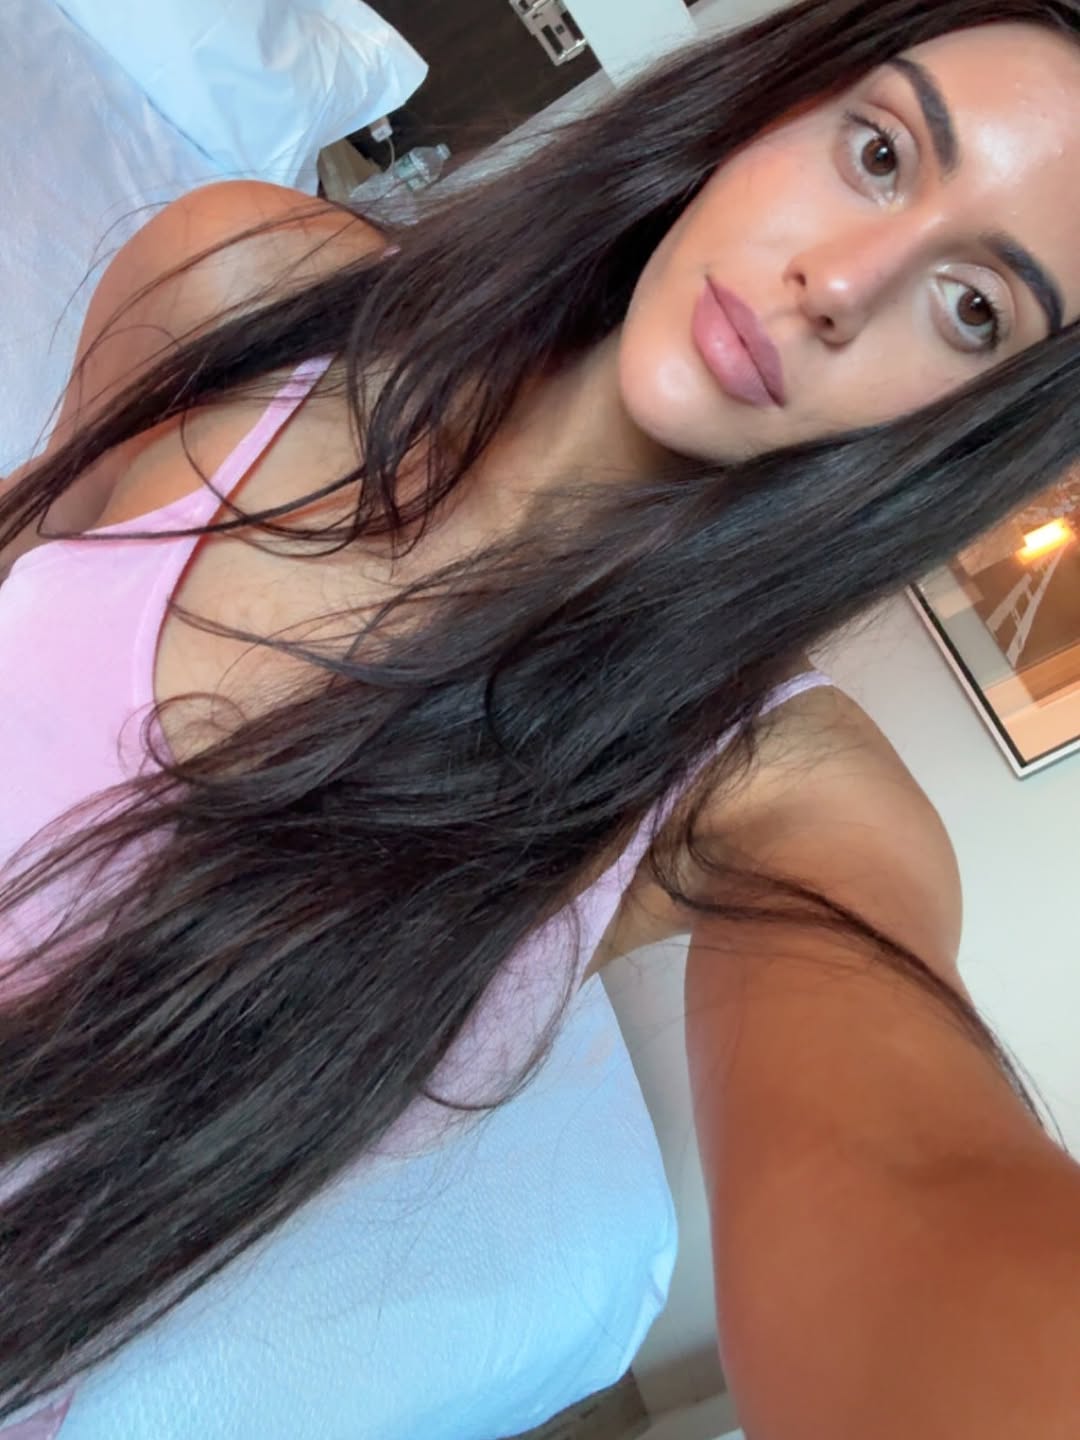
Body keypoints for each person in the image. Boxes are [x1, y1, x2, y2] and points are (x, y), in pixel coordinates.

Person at [0, 0, 1077, 1433]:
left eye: (973, 308)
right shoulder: (244, 276)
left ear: (970, 426)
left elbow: (922, 1187)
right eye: (879, 152)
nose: (841, 282)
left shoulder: (778, 793)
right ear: (771, 105)